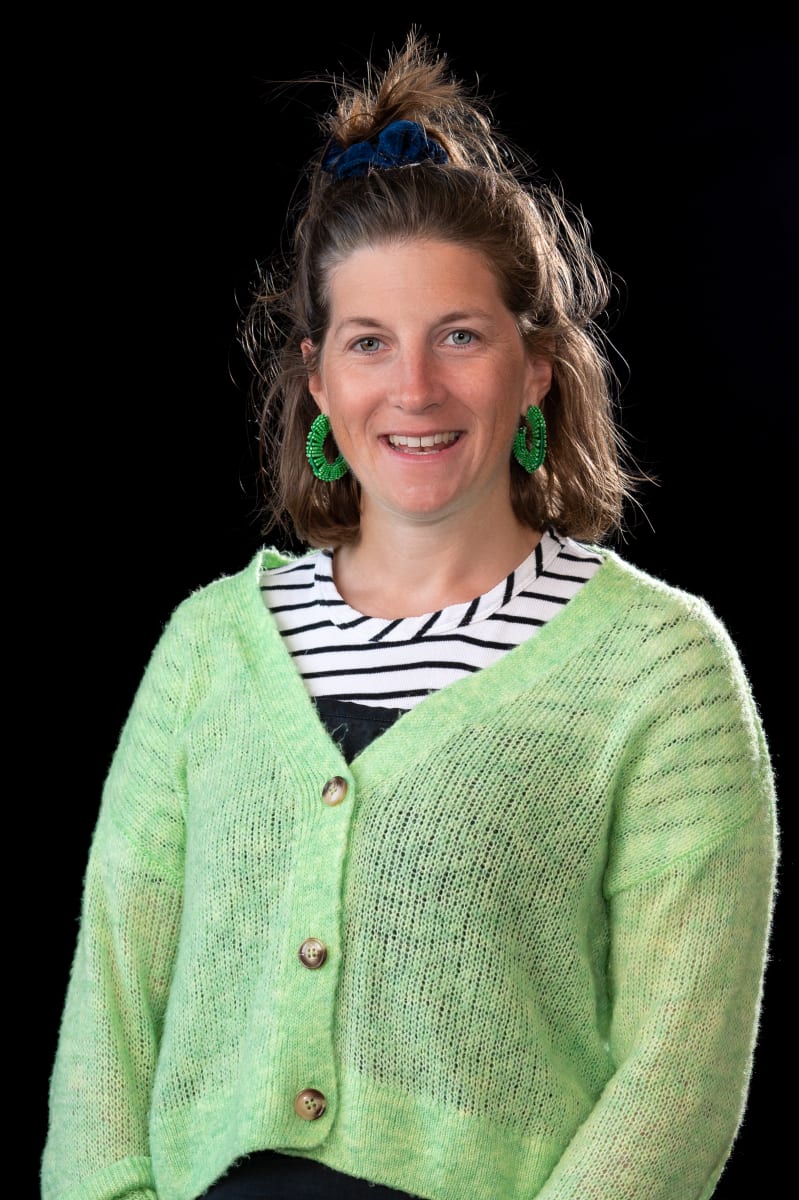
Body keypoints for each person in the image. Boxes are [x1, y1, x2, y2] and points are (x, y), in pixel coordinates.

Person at [42, 31, 778, 1200]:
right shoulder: (208, 651)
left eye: (461, 337)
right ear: (320, 381)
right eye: (369, 344)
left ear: (535, 366)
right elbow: (112, 1012)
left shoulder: (658, 669)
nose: (415, 389)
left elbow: (675, 1077)